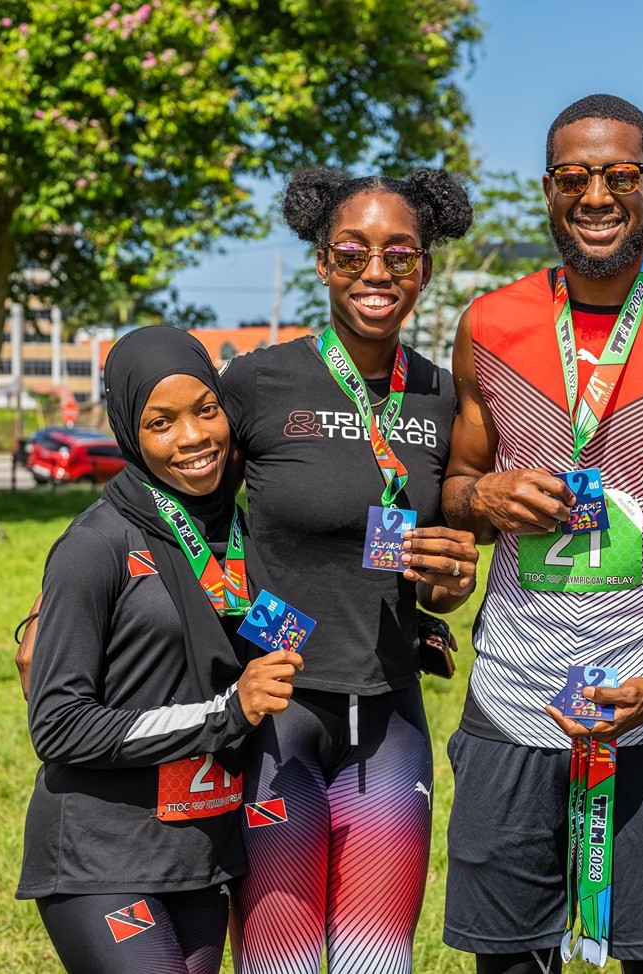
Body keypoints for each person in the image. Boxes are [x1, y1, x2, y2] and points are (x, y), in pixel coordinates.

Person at [440, 94, 643, 974]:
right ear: (547, 190)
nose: (596, 196)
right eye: (574, 177)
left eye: (620, 176)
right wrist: (485, 496)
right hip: (514, 700)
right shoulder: (488, 324)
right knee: (510, 964)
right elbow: (455, 490)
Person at [219, 165, 480, 974]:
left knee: (377, 961)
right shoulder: (258, 381)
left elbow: (440, 558)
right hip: (276, 711)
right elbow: (175, 516)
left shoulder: (443, 396)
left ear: (424, 269)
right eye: (352, 252)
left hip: (389, 716)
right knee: (281, 962)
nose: (376, 273)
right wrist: (57, 606)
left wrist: (447, 585)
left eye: (399, 255)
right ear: (322, 262)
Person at [16, 326, 303, 974]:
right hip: (103, 855)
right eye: (161, 422)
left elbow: (278, 644)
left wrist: (405, 623)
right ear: (128, 431)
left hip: (200, 853)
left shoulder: (238, 535)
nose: (193, 437)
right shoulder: (97, 545)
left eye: (206, 409)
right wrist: (227, 713)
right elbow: (58, 725)